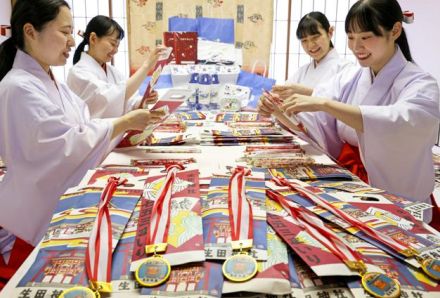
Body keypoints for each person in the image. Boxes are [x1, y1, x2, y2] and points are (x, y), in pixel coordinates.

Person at [0, 0, 164, 286]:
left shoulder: (51, 82)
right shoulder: (18, 87)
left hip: (57, 201)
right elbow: (63, 144)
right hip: (31, 216)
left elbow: (88, 120)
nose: (70, 40)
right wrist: (124, 122)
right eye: (64, 31)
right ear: (30, 31)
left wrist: (133, 113)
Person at [258, 0, 440, 219]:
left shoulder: (421, 83)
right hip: (348, 182)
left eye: (365, 37)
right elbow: (317, 122)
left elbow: (401, 123)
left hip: (393, 191)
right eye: (351, 38)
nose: (356, 47)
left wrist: (325, 104)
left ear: (395, 30)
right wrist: (279, 110)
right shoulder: (351, 77)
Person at [67, 15, 162, 118]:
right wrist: (146, 66)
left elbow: (129, 102)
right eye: (113, 44)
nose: (115, 50)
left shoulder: (113, 72)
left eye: (117, 45)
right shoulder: (78, 73)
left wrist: (144, 100)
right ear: (93, 39)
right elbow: (109, 99)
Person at [273, 11, 356, 100]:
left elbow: (344, 105)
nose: (310, 45)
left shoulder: (346, 68)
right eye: (304, 40)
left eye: (315, 37)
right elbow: (282, 96)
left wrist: (304, 92)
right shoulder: (303, 71)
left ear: (330, 32)